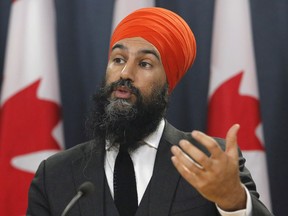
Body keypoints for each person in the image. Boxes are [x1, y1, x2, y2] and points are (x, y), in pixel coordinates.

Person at [27, 7, 273, 216]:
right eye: (118, 59)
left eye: (144, 63)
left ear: (168, 85)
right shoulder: (55, 174)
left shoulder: (208, 161)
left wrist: (234, 201)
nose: (125, 74)